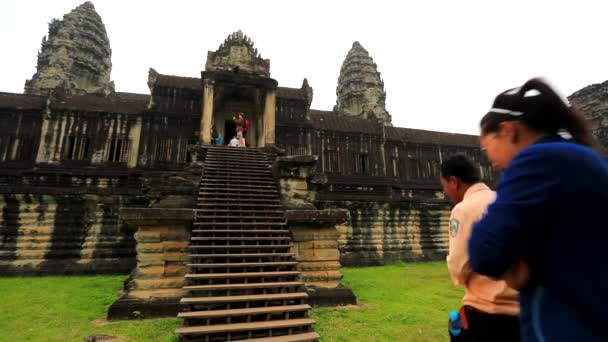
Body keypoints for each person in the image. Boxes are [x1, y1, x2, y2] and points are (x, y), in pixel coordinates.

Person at [468, 78, 608, 342]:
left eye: (487, 148)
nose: (491, 161)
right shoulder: (583, 156)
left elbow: (484, 251)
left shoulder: (537, 160)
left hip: (568, 324)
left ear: (508, 130)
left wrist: (521, 261)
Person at [440, 154, 520, 342]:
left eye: (444, 185)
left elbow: (459, 267)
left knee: (456, 329)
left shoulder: (464, 209)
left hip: (486, 311)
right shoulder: (505, 201)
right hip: (521, 311)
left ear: (454, 182)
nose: (444, 192)